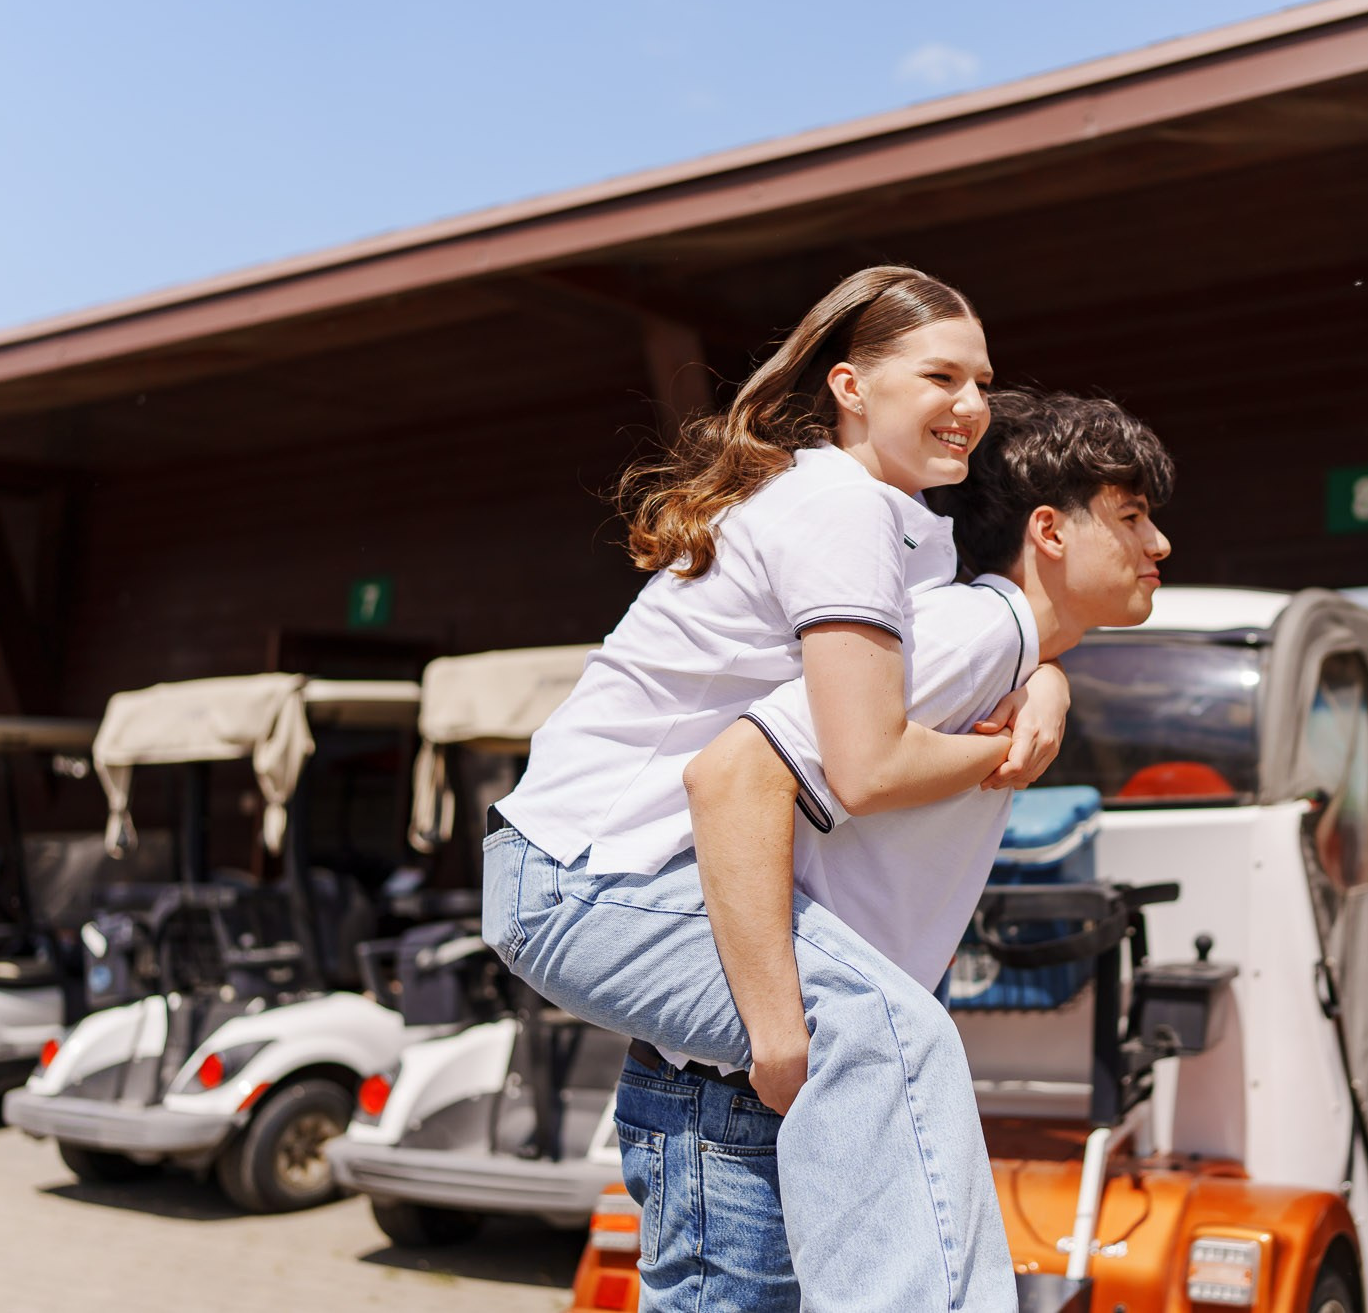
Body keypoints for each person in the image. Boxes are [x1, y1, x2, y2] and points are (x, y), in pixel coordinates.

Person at [482, 268, 1069, 1311]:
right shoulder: (839, 506)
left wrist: (1044, 674)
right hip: (584, 875)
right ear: (850, 385)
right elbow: (865, 762)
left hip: (620, 874)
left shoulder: (900, 522)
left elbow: (917, 675)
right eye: (939, 374)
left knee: (885, 1031)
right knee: (892, 1031)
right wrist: (1005, 749)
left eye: (981, 378)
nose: (971, 403)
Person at [636, 391, 1175, 1311]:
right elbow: (729, 781)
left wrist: (1049, 680)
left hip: (801, 1069)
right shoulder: (967, 635)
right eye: (1131, 516)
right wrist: (780, 1039)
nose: (1158, 544)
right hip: (752, 1078)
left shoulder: (996, 645)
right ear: (1047, 529)